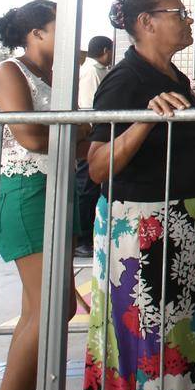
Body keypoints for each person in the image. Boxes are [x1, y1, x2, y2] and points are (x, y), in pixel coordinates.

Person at [83, 0, 195, 390]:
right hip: (141, 231)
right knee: (138, 336)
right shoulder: (125, 81)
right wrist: (144, 119)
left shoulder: (172, 75)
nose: (187, 21)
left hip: (181, 225)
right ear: (145, 23)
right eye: (178, 14)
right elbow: (99, 165)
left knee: (171, 332)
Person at [0, 0, 83, 390]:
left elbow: (67, 135)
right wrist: (79, 130)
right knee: (50, 309)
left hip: (51, 190)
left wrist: (75, 131)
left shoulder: (56, 77)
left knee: (36, 314)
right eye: (64, 26)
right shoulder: (9, 71)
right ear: (37, 33)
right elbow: (31, 136)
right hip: (24, 193)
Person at [73, 35, 114, 257]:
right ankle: (83, 238)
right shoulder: (91, 71)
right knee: (86, 188)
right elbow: (91, 108)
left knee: (91, 188)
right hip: (90, 139)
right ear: (105, 50)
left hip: (96, 137)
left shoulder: (98, 70)